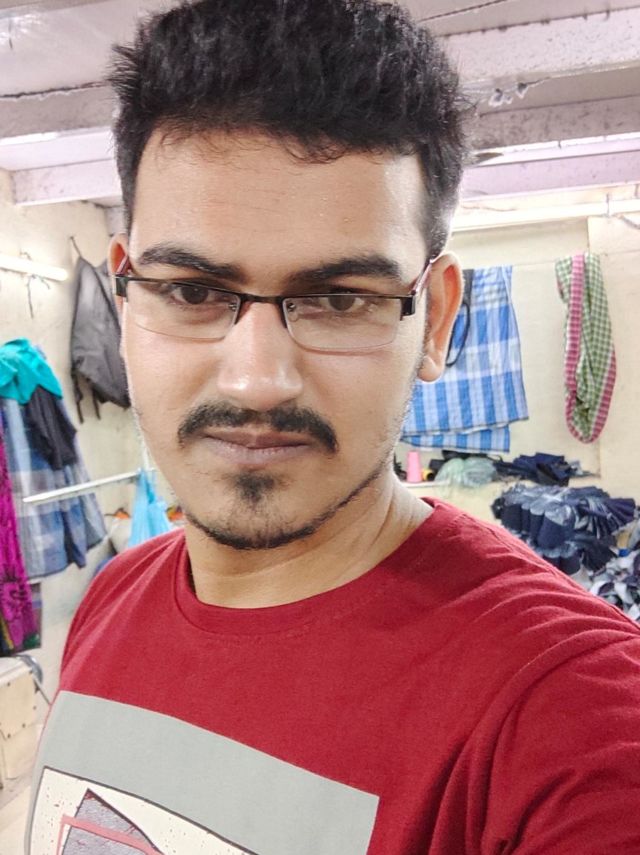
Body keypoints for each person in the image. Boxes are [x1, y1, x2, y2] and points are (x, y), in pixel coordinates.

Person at [28, 1, 640, 852]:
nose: (256, 378)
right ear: (128, 299)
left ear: (435, 321)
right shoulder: (111, 598)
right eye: (193, 291)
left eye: (341, 298)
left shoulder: (572, 713)